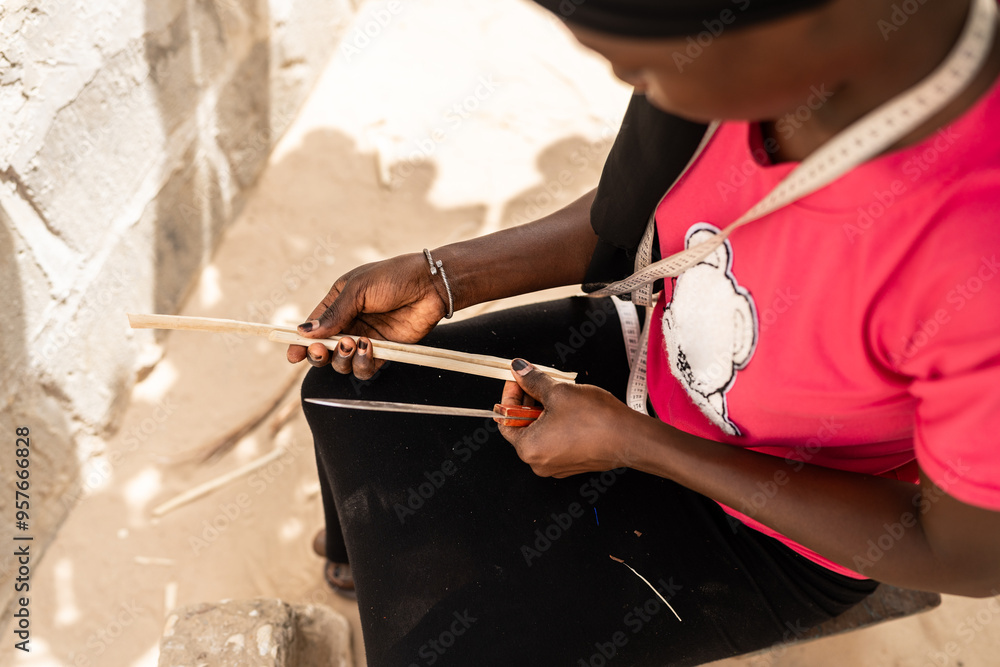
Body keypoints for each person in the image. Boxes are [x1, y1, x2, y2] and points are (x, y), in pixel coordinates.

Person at [288, 0, 1000, 664]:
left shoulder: (973, 257)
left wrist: (637, 443)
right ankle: (358, 560)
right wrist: (445, 276)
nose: (638, 90)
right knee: (343, 393)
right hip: (651, 360)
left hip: (782, 528)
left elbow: (967, 552)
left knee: (432, 647)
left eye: (641, 69)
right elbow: (652, 213)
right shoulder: (746, 74)